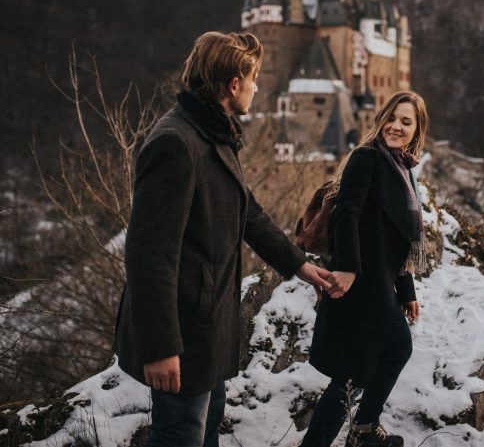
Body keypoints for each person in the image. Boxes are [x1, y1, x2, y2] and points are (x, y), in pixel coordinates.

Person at [113, 31, 333, 447]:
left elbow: (245, 210)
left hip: (207, 328)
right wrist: (160, 347)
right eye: (253, 78)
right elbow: (148, 257)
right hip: (182, 335)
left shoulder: (215, 133)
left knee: (206, 430)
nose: (256, 87)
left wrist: (300, 265)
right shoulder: (176, 143)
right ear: (233, 84)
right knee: (181, 437)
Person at [301, 91, 429, 447]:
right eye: (392, 118)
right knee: (353, 373)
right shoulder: (367, 158)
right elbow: (348, 214)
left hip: (380, 284)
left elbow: (399, 237)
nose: (396, 126)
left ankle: (363, 428)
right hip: (360, 283)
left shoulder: (403, 169)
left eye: (406, 122)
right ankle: (358, 431)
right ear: (381, 118)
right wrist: (348, 269)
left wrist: (407, 291)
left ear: (417, 130)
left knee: (378, 358)